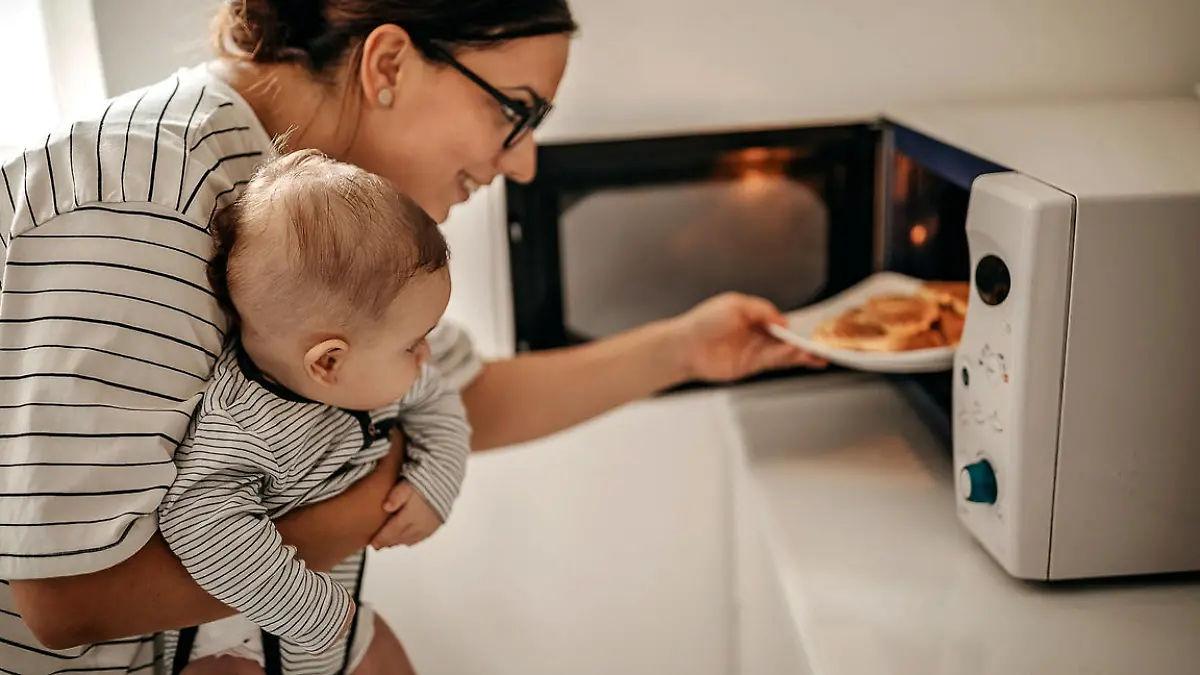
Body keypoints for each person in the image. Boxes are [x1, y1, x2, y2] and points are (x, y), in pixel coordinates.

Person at [0, 1, 823, 673]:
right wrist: (360, 511)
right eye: (516, 111)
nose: (525, 161)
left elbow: (453, 391)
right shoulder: (138, 202)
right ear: (387, 62)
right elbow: (68, 597)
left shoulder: (315, 200)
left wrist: (686, 346)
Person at [159, 149, 469, 674]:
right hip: (230, 633)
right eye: (413, 343)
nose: (426, 356)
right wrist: (311, 612)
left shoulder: (376, 380)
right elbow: (198, 520)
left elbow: (440, 404)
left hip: (335, 625)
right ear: (329, 361)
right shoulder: (243, 423)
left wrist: (435, 480)